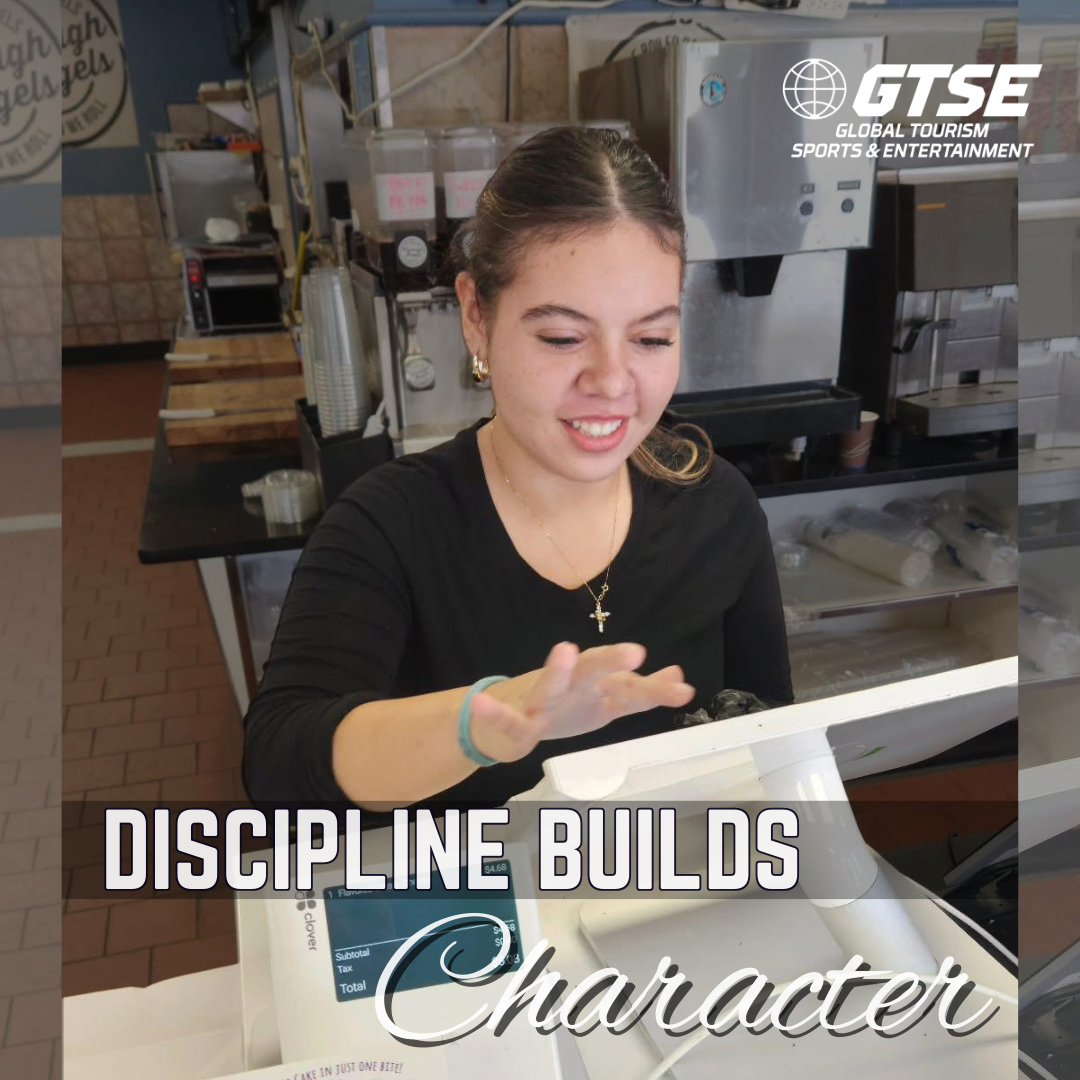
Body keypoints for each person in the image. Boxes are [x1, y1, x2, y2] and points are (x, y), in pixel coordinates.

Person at [243, 127, 792, 810]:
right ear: (476, 316)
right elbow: (278, 765)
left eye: (652, 338)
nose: (613, 382)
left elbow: (771, 724)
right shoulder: (390, 523)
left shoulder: (717, 506)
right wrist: (481, 725)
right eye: (563, 337)